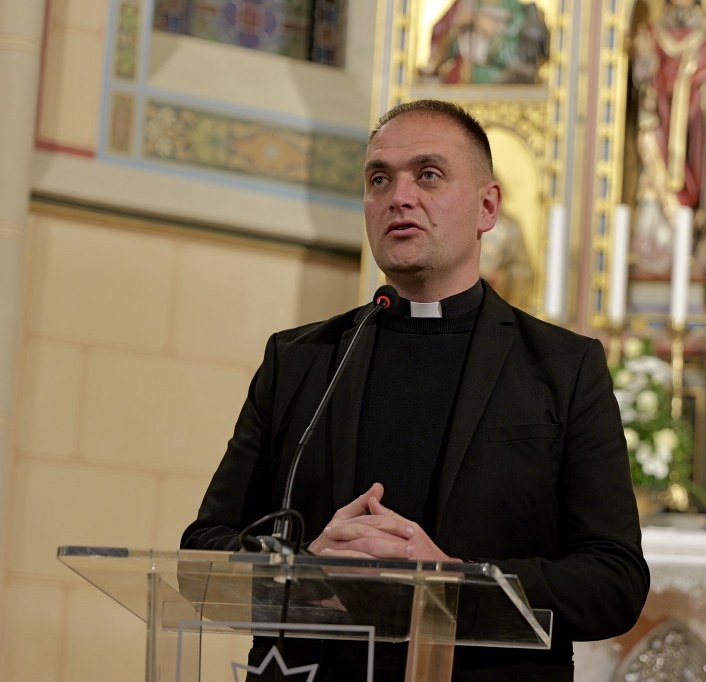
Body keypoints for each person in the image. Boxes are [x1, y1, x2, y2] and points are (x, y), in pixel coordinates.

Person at [181, 99, 649, 680]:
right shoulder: (299, 361)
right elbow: (201, 555)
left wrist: (454, 581)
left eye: (428, 175)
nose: (399, 196)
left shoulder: (563, 368)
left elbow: (615, 581)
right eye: (379, 179)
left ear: (487, 207)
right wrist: (303, 571)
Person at [630, 0, 706, 276]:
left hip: (695, 128)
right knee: (653, 176)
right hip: (660, 121)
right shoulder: (653, 34)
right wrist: (644, 59)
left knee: (697, 180)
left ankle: (691, 242)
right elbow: (640, 79)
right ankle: (654, 245)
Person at [420, 0, 550, 85]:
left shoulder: (518, 11)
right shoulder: (465, 5)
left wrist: (492, 34)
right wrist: (454, 30)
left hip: (500, 86)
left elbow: (519, 58)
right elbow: (440, 56)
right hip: (461, 83)